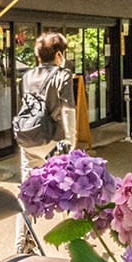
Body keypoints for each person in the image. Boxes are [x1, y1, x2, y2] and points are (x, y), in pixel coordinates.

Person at [13, 32, 77, 250]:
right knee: (64, 190)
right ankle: (70, 242)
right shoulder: (63, 75)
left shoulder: (27, 76)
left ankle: (22, 242)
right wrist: (72, 142)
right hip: (54, 140)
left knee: (27, 191)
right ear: (59, 54)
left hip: (28, 138)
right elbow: (68, 110)